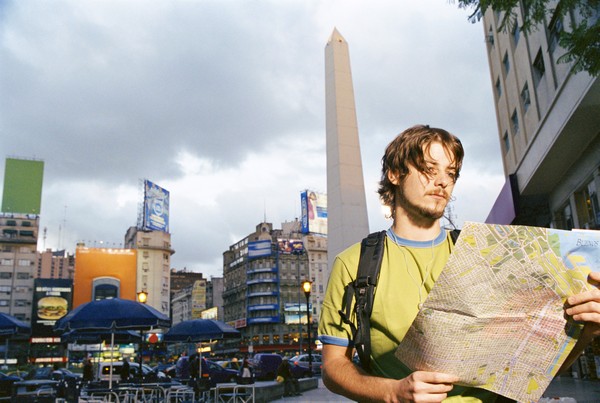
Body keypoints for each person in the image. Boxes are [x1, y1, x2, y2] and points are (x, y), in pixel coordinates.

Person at [318, 124, 600, 402]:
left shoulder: (487, 254)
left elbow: (526, 374)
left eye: (450, 173)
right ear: (394, 174)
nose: (442, 181)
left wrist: (587, 332)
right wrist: (393, 392)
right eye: (429, 170)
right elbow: (333, 368)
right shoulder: (355, 264)